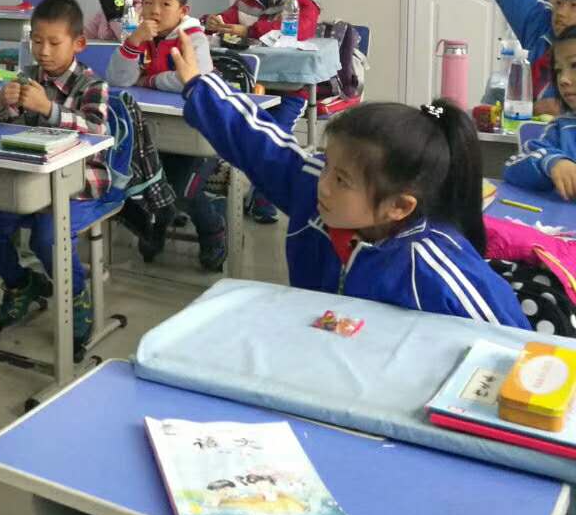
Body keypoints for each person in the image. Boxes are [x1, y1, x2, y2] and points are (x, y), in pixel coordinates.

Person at [171, 32, 528, 327]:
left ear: (399, 206)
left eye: (342, 180)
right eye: (327, 165)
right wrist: (201, 87)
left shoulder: (432, 266)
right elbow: (257, 143)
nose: (323, 184)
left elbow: (516, 346)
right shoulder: (317, 190)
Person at [0, 0, 106, 350]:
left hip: (77, 185)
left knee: (48, 237)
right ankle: (20, 283)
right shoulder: (27, 77)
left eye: (54, 43)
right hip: (28, 182)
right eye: (37, 41)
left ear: (78, 44)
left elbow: (97, 131)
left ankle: (77, 296)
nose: (43, 51)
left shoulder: (91, 85)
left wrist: (49, 109)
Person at [105, 0, 225, 270]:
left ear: (183, 10)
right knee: (131, 179)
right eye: (148, 3)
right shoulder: (141, 35)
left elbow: (191, 77)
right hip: (153, 136)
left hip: (197, 134)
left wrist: (149, 80)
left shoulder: (193, 37)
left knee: (181, 189)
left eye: (165, 4)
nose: (155, 11)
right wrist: (133, 42)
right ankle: (156, 226)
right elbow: (118, 79)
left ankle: (212, 229)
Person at [204, 0, 321, 224]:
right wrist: (214, 22)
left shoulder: (304, 4)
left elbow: (299, 30)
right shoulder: (248, 1)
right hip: (251, 87)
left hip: (289, 89)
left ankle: (263, 197)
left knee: (274, 141)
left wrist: (249, 30)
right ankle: (219, 194)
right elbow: (226, 19)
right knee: (229, 135)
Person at [506, 27, 576, 196]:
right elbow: (512, 167)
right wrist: (552, 162)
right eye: (558, 70)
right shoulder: (560, 129)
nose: (563, 79)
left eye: (574, 65)